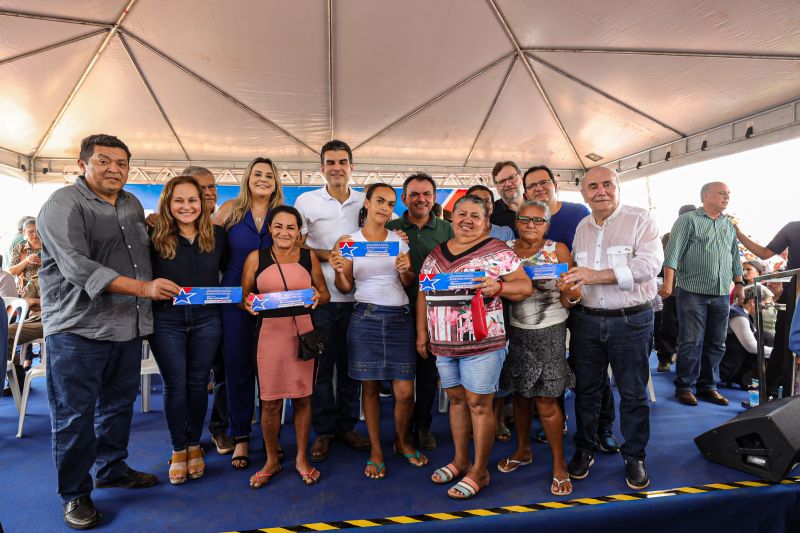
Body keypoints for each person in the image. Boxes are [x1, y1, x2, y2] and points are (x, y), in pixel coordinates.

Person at [37, 134, 181, 530]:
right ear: (84, 163)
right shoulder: (62, 204)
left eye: (121, 163)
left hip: (126, 328)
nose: (114, 169)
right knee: (74, 416)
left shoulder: (132, 204)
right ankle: (75, 494)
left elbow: (142, 255)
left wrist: (158, 227)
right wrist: (143, 290)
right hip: (77, 329)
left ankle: (111, 467)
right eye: (104, 161)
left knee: (118, 408)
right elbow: (77, 266)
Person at [418, 194, 532, 499]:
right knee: (457, 402)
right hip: (443, 343)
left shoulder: (498, 251)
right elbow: (423, 294)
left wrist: (500, 287)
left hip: (483, 342)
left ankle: (480, 472)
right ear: (452, 216)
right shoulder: (436, 254)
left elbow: (524, 286)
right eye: (461, 214)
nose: (467, 220)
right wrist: (422, 334)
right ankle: (460, 460)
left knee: (479, 405)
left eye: (475, 216)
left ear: (486, 221)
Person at [564, 167, 662, 490]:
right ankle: (585, 448)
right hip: (587, 321)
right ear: (584, 194)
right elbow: (580, 276)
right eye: (593, 186)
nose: (600, 191)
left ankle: (634, 455)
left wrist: (595, 275)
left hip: (631, 320)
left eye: (607, 184)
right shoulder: (581, 227)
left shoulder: (640, 219)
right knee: (587, 390)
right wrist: (573, 287)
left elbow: (649, 267)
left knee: (633, 393)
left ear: (618, 187)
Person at [329, 183, 424, 479]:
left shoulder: (399, 240)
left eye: (390, 203)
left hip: (399, 318)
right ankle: (376, 451)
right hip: (365, 317)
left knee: (405, 392)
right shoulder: (348, 242)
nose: (385, 207)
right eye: (379, 201)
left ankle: (402, 441)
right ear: (367, 203)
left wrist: (406, 268)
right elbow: (345, 287)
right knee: (369, 388)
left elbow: (409, 282)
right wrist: (338, 270)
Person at [522, 164, 620, 452]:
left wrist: (574, 288)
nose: (538, 188)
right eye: (532, 185)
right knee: (549, 371)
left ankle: (603, 427)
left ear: (555, 183)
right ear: (526, 192)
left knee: (590, 372)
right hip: (542, 312)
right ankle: (558, 421)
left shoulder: (578, 212)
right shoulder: (526, 221)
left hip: (581, 302)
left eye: (543, 182)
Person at [241, 205, 330, 488]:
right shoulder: (256, 258)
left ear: (299, 231)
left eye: (291, 227)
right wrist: (248, 304)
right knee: (270, 403)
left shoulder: (309, 257)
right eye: (278, 226)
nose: (284, 232)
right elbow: (244, 296)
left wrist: (318, 296)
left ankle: (302, 459)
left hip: (303, 334)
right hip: (269, 336)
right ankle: (271, 459)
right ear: (270, 229)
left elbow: (325, 294)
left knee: (303, 399)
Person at [148, 175, 227, 485]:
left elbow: (235, 273)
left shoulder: (218, 236)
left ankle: (195, 443)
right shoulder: (152, 235)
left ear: (203, 202)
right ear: (168, 203)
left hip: (208, 320)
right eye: (179, 200)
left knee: (197, 384)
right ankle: (178, 448)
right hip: (166, 321)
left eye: (192, 200)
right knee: (174, 385)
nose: (186, 206)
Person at [294, 140, 370, 462]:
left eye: (342, 161)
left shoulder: (366, 200)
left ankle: (347, 426)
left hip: (359, 297)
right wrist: (329, 255)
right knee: (321, 369)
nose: (336, 167)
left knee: (352, 368)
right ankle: (324, 431)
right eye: (330, 162)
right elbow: (294, 244)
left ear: (352, 166)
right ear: (321, 168)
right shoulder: (306, 201)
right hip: (320, 299)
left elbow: (386, 235)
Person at [497, 201, 580, 496]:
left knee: (546, 401)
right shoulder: (504, 249)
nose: (531, 225)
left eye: (538, 220)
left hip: (550, 332)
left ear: (547, 224)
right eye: (525, 219)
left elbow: (571, 297)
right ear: (517, 222)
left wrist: (571, 292)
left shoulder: (558, 250)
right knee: (520, 395)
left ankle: (559, 465)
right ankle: (523, 450)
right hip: (515, 333)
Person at [213, 157, 284, 469]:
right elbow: (205, 243)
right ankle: (240, 436)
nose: (264, 179)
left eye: (269, 175)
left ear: (276, 181)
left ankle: (272, 439)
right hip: (233, 298)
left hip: (273, 300)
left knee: (274, 372)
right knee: (237, 369)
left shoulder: (282, 214)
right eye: (258, 174)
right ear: (247, 178)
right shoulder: (230, 209)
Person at [386, 173, 454, 450]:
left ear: (434, 197)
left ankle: (423, 427)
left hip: (434, 313)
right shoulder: (389, 228)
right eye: (414, 194)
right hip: (395, 311)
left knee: (428, 375)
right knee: (401, 378)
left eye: (426, 193)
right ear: (403, 199)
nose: (421, 199)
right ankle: (401, 431)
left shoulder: (447, 230)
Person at [662, 182, 743, 407]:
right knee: (691, 341)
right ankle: (684, 386)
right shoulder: (687, 220)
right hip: (691, 292)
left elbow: (734, 256)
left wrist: (739, 283)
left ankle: (708, 386)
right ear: (706, 196)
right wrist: (668, 284)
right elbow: (672, 253)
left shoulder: (728, 225)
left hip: (721, 293)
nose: (727, 197)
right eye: (722, 193)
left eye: (728, 193)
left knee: (717, 342)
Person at [735, 220, 800, 396]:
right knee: (784, 344)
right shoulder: (793, 228)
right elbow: (764, 253)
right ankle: (772, 393)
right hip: (794, 294)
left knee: (785, 343)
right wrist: (739, 234)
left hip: (793, 293)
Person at [656, 204, 697, 372]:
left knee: (691, 327)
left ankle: (686, 361)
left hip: (695, 289)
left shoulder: (703, 234)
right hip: (673, 289)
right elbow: (665, 260)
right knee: (669, 325)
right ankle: (664, 358)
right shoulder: (669, 236)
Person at [719, 285, 773, 390]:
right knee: (766, 337)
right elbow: (751, 347)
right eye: (765, 304)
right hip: (726, 367)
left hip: (732, 360)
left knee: (765, 336)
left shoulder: (742, 312)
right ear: (753, 302)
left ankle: (758, 380)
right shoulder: (738, 316)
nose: (766, 309)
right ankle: (752, 379)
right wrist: (777, 353)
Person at [9, 217, 42, 295]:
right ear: (24, 232)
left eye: (37, 231)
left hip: (46, 287)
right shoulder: (19, 248)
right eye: (30, 232)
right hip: (25, 290)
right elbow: (11, 271)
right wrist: (26, 260)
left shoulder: (50, 247)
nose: (35, 235)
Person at [490, 161, 524, 233]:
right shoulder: (490, 214)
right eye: (502, 181)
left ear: (521, 177)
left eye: (511, 178)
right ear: (496, 187)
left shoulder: (539, 206)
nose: (508, 184)